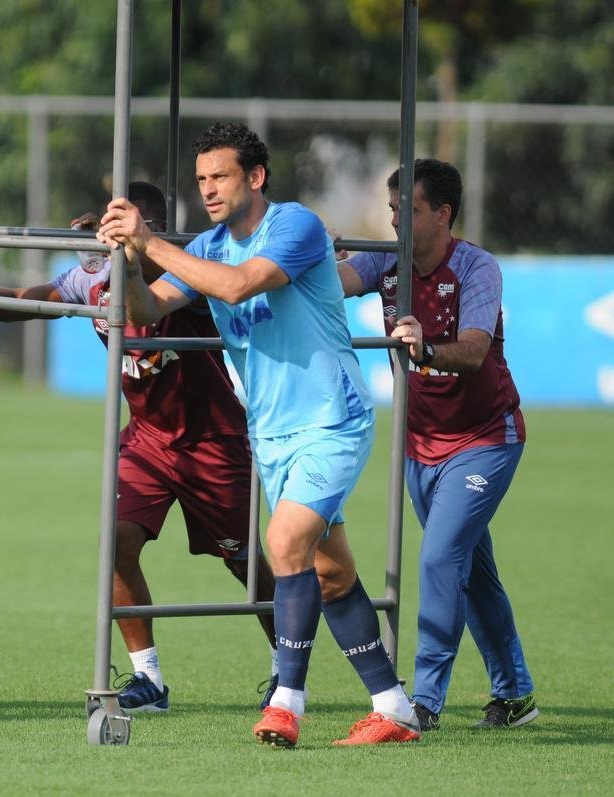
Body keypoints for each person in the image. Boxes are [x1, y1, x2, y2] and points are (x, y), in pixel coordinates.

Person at [97, 123, 420, 747]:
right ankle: (393, 705)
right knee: (330, 573)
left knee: (284, 541)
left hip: (333, 420)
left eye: (220, 176)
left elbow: (238, 285)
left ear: (256, 177)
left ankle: (286, 703)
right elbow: (144, 311)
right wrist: (132, 264)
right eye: (201, 180)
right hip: (270, 436)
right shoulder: (211, 245)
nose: (209, 189)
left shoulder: (295, 227)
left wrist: (150, 240)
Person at [0, 181, 279, 713]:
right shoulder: (91, 276)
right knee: (114, 546)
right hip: (147, 440)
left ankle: (285, 668)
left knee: (245, 564)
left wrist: (129, 249)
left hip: (213, 442)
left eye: (123, 222)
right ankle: (149, 680)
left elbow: (158, 283)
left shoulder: (184, 270)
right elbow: (31, 302)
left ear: (150, 227)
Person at [338, 158, 537, 730]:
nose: (396, 219)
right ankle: (516, 693)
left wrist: (425, 349)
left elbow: (474, 351)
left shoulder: (477, 267)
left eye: (410, 210)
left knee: (440, 557)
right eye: (393, 208)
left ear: (443, 214)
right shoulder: (385, 259)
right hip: (420, 445)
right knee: (471, 571)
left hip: (484, 440)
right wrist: (311, 252)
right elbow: (334, 282)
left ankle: (422, 702)